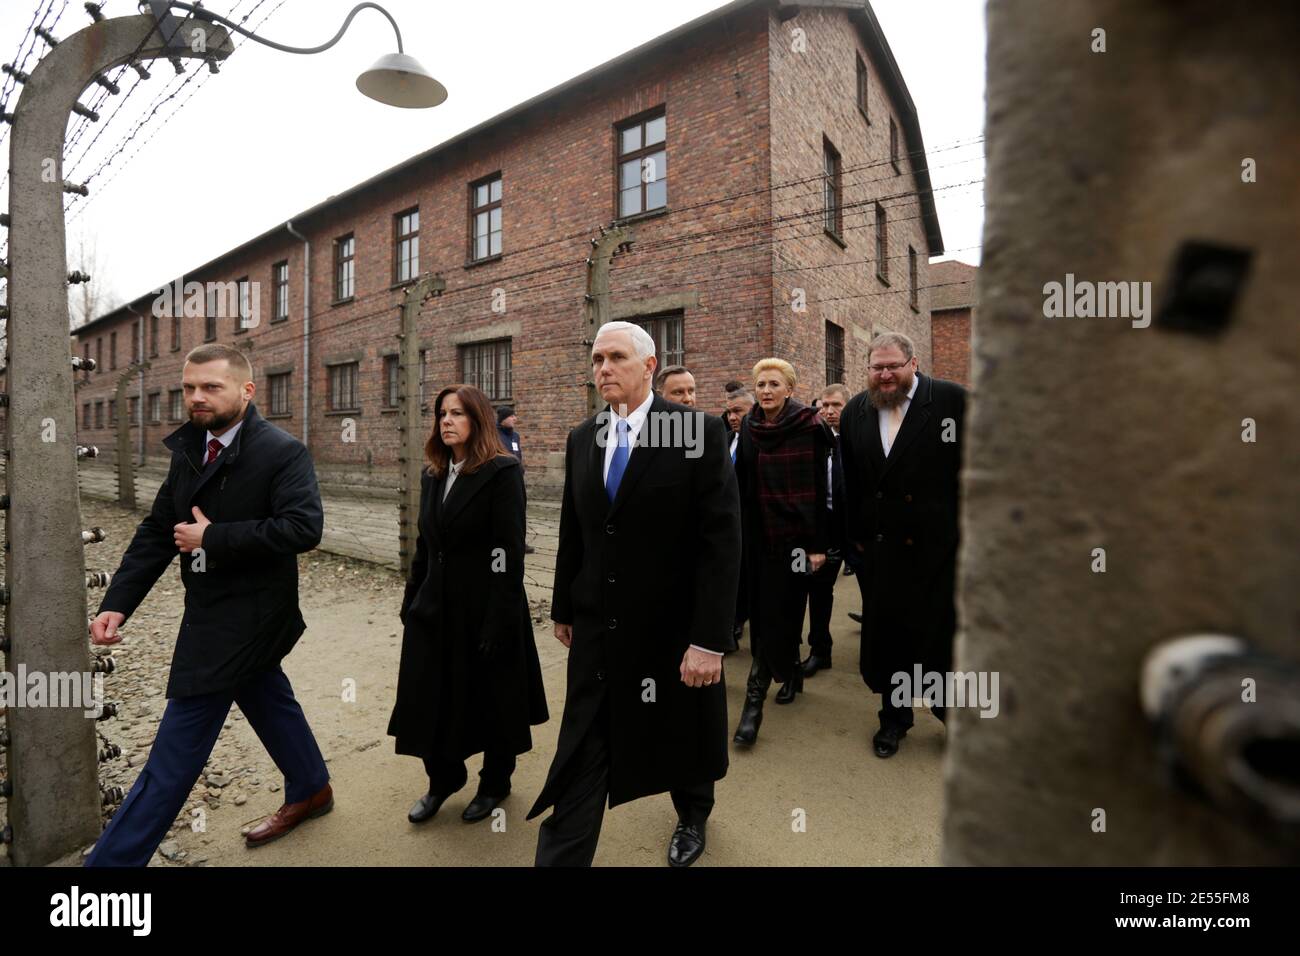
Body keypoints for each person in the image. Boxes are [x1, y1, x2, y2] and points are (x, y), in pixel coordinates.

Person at [86, 345, 330, 866]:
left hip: (252, 616)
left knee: (174, 753)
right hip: (210, 609)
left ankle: (107, 871)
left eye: (211, 387)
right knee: (266, 695)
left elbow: (303, 528)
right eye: (190, 387)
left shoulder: (281, 452)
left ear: (247, 390)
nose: (197, 397)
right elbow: (159, 530)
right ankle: (311, 789)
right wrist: (118, 603)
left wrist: (214, 538)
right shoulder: (192, 447)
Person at [528, 321, 740, 867]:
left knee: (682, 729)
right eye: (597, 359)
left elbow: (721, 543)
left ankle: (693, 813)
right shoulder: (584, 437)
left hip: (674, 629)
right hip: (600, 628)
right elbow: (575, 531)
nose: (603, 369)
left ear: (649, 366)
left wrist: (709, 640)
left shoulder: (698, 432)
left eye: (616, 357)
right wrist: (565, 608)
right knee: (582, 745)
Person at [389, 385, 549, 823]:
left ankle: (495, 783)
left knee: (492, 699)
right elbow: (425, 543)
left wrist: (498, 619)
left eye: (457, 413)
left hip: (487, 609)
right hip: (435, 607)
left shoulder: (501, 471)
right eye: (442, 413)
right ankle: (443, 779)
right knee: (428, 696)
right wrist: (411, 600)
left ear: (477, 420)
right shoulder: (433, 473)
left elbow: (507, 549)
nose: (446, 420)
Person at [838, 332, 966, 758]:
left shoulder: (952, 402)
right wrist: (852, 540)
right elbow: (849, 480)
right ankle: (894, 718)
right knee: (889, 637)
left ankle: (949, 714)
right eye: (877, 367)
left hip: (940, 551)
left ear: (914, 363)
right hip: (881, 552)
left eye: (893, 365)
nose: (885, 374)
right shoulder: (858, 408)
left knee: (939, 636)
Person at [732, 359, 833, 745]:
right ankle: (790, 670)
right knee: (765, 610)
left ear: (790, 389)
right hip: (759, 537)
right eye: (760, 384)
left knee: (781, 611)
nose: (766, 390)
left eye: (774, 383)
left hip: (797, 538)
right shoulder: (751, 429)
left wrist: (818, 545)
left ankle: (753, 703)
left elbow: (823, 491)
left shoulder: (811, 426)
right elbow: (742, 485)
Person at [801, 384, 848, 676]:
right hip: (824, 527)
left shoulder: (858, 440)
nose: (829, 411)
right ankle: (820, 650)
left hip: (855, 530)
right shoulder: (811, 442)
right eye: (824, 406)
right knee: (819, 592)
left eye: (836, 405)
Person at [725, 389, 756, 645]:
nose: (732, 417)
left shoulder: (756, 441)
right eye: (729, 412)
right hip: (726, 522)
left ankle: (739, 621)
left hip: (749, 521)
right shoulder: (725, 440)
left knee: (745, 577)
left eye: (738, 411)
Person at [496, 406, 534, 552]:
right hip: (502, 480)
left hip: (518, 479)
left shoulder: (515, 436)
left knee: (519, 511)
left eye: (514, 416)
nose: (515, 419)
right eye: (511, 416)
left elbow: (518, 454)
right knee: (504, 513)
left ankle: (520, 543)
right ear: (503, 419)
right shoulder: (494, 435)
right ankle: (503, 543)